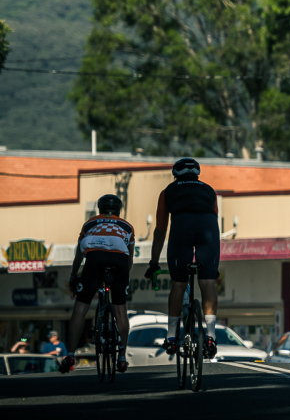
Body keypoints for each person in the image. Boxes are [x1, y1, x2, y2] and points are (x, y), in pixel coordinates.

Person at [145, 157, 221, 359]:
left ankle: (171, 337)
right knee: (208, 283)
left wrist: (154, 262)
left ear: (175, 175)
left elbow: (161, 229)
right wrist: (212, 265)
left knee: (178, 284)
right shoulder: (209, 190)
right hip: (209, 231)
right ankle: (211, 336)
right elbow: (213, 218)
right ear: (197, 174)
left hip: (182, 228)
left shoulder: (168, 192)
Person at [61, 193, 136, 373]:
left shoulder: (89, 223)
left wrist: (74, 275)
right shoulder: (127, 226)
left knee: (80, 308)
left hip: (94, 259)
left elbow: (79, 255)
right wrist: (124, 277)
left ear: (100, 209)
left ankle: (70, 354)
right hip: (119, 261)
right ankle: (122, 358)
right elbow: (130, 258)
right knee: (120, 310)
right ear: (119, 210)